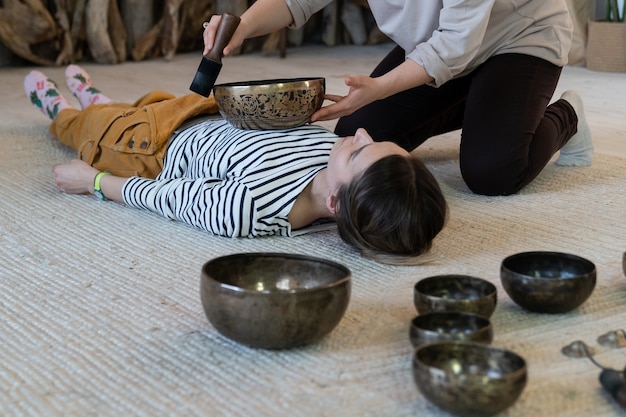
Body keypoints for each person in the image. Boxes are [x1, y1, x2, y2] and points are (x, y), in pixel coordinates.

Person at [24, 65, 448, 265]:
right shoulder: (345, 173)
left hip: (151, 148)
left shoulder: (251, 207)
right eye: (375, 142)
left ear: (335, 202)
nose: (360, 134)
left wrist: (95, 181)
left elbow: (166, 198)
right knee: (135, 102)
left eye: (360, 151)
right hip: (202, 112)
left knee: (88, 131)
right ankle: (96, 98)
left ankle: (60, 108)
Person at [202, 0, 594, 196]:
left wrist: (379, 88)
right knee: (358, 133)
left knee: (493, 173)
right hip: (437, 46)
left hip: (519, 37)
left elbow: (456, 46)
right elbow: (295, 2)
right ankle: (487, 107)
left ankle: (566, 115)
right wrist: (242, 25)